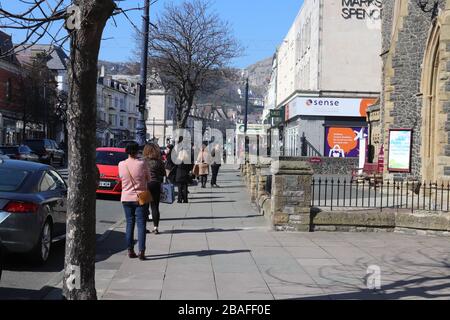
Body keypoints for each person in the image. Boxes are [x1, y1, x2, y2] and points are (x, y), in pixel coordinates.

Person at [118, 142, 150, 261]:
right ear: (137, 151)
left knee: (129, 223)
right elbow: (149, 179)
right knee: (141, 224)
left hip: (126, 197)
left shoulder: (121, 164)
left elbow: (121, 177)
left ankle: (130, 250)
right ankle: (142, 251)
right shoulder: (142, 163)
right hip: (141, 195)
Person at [143, 143, 166, 235]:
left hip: (145, 185)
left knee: (144, 207)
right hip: (156, 184)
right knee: (155, 207)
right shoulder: (159, 162)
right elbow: (163, 173)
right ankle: (156, 227)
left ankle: (143, 227)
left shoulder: (143, 161)